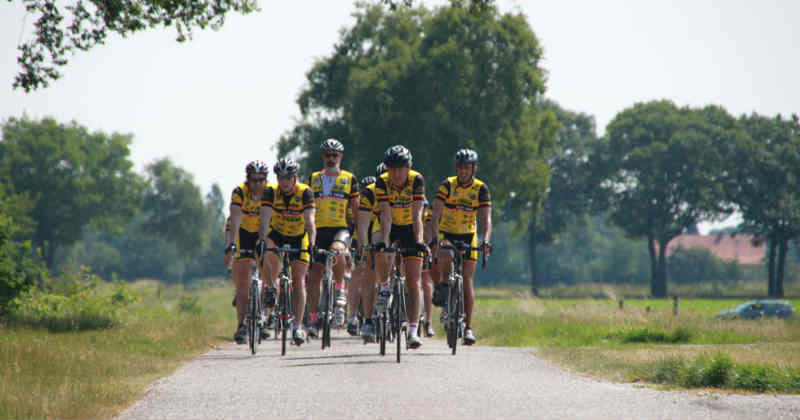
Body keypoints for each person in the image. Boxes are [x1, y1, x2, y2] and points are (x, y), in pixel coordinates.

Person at [429, 148, 492, 346]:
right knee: (446, 254)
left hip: (468, 235)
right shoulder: (447, 185)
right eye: (460, 168)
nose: (463, 171)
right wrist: (435, 239)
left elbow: (486, 219)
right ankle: (445, 288)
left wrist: (486, 240)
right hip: (447, 233)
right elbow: (436, 215)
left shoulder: (481, 189)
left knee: (467, 280)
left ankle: (468, 328)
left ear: (474, 168)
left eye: (467, 168)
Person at [368, 145, 427, 349]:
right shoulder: (382, 182)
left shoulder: (417, 180)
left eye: (400, 168)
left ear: (408, 167)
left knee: (413, 281)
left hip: (410, 227)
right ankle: (384, 286)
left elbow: (418, 215)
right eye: (391, 168)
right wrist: (385, 242)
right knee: (379, 247)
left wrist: (419, 240)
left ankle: (412, 330)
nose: (395, 173)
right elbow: (385, 215)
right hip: (391, 226)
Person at [258, 158, 316, 345]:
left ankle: (297, 327)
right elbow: (265, 219)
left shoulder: (305, 192)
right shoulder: (270, 192)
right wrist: (261, 240)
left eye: (288, 177)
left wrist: (312, 244)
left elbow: (310, 222)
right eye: (280, 177)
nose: (284, 181)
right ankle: (272, 286)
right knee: (268, 249)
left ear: (294, 177)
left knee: (298, 281)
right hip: (278, 233)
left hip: (299, 236)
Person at [225, 160, 270, 345]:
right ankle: (241, 325)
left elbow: (268, 221)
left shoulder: (270, 193)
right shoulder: (239, 192)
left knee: (268, 273)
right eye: (254, 180)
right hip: (242, 232)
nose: (258, 184)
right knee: (243, 281)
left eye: (261, 180)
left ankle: (265, 318)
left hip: (263, 231)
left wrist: (264, 241)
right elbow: (235, 219)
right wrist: (232, 245)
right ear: (248, 179)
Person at [353, 163, 387, 337]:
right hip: (375, 229)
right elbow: (362, 223)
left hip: (399, 228)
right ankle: (367, 320)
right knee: (369, 273)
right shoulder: (371, 192)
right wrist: (362, 244)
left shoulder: (406, 189)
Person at [421, 197, 436, 337]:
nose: (422, 210)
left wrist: (429, 246)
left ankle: (428, 321)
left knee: (426, 285)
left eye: (424, 207)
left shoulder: (428, 219)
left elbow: (430, 236)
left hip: (424, 251)